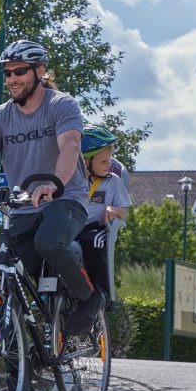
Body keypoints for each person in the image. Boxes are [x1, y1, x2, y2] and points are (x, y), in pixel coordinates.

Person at [0, 39, 104, 334]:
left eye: (19, 71)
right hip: (23, 205)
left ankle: (89, 297)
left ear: (39, 71)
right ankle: (17, 368)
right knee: (8, 274)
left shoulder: (61, 105)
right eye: (7, 73)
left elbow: (70, 146)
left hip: (65, 199)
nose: (11, 79)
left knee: (48, 241)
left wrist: (52, 183)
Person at [76, 125, 132, 301]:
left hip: (96, 227)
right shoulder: (74, 179)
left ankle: (102, 292)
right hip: (73, 225)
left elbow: (124, 211)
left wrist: (113, 210)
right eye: (103, 161)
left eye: (110, 160)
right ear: (86, 161)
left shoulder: (112, 182)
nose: (109, 165)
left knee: (95, 242)